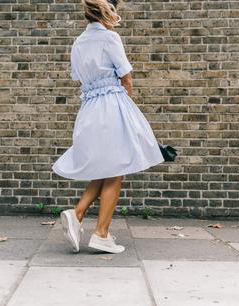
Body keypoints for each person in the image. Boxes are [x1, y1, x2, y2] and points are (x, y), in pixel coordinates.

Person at [52, 0, 164, 254]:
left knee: (106, 165)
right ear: (108, 11)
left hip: (89, 108)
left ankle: (77, 213)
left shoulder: (78, 43)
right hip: (112, 104)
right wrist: (128, 106)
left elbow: (78, 78)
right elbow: (126, 76)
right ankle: (101, 234)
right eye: (116, 8)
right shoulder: (110, 38)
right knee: (117, 168)